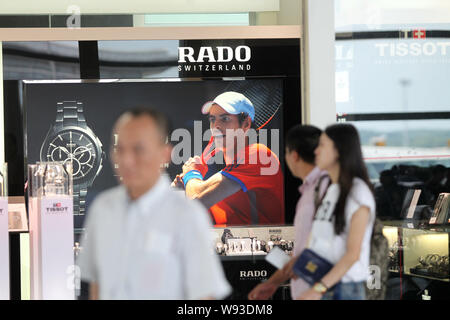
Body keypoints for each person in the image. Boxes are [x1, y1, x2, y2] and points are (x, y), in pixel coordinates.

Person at [76, 108, 231, 300]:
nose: (127, 160)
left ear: (165, 154)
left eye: (138, 150)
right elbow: (96, 287)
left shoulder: (188, 216)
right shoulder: (102, 209)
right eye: (119, 149)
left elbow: (204, 297)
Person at [172, 91, 284, 226]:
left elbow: (196, 199)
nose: (215, 127)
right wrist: (181, 191)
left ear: (246, 124)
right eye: (212, 119)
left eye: (225, 119)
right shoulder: (221, 182)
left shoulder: (259, 155)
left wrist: (191, 174)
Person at [298, 123, 376, 300]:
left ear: (339, 150)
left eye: (322, 145)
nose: (316, 151)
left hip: (344, 288)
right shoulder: (332, 190)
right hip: (326, 283)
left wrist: (318, 289)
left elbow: (352, 254)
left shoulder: (358, 192)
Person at [248, 124, 326, 300]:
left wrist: (320, 290)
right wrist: (272, 283)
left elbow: (336, 250)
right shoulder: (309, 191)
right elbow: (301, 255)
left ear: (294, 155)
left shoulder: (325, 190)